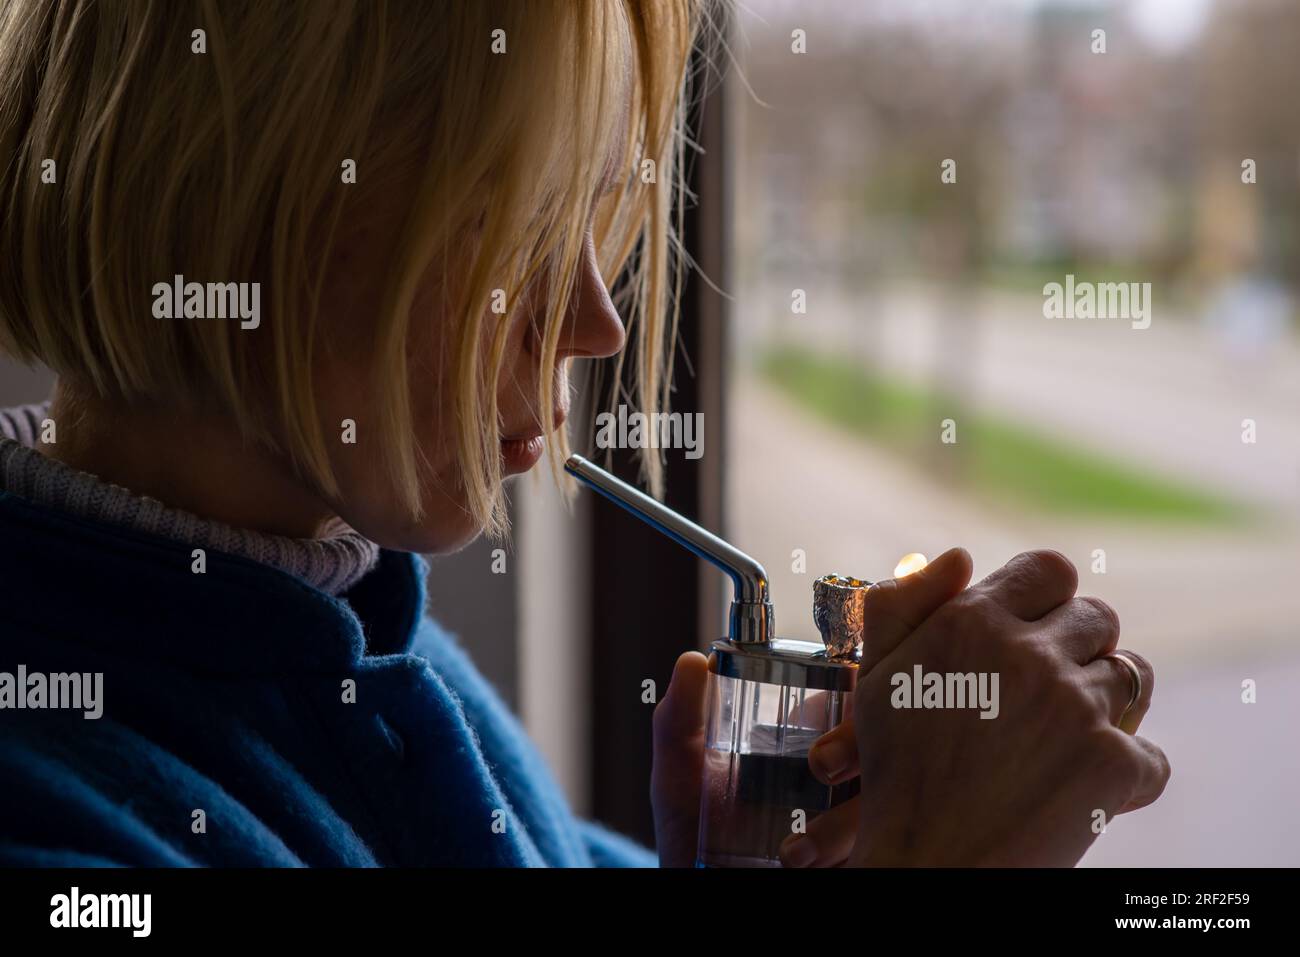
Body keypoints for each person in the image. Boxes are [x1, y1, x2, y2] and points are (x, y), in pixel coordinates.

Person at [0, 0, 1167, 868]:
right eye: (518, 227)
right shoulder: (59, 815)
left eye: (594, 223)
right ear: (237, 207)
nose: (597, 325)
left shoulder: (373, 640)